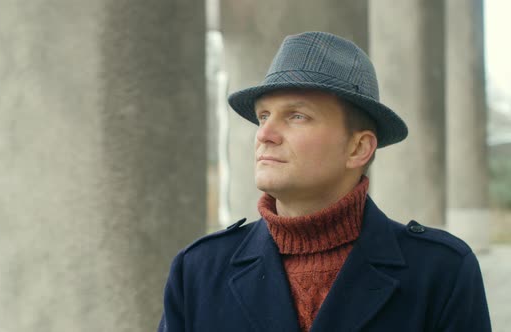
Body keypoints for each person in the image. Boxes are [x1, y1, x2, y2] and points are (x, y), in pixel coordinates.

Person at [158, 31, 491, 332]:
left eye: (297, 116)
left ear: (358, 148)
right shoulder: (199, 271)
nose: (265, 135)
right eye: (263, 116)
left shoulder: (440, 272)